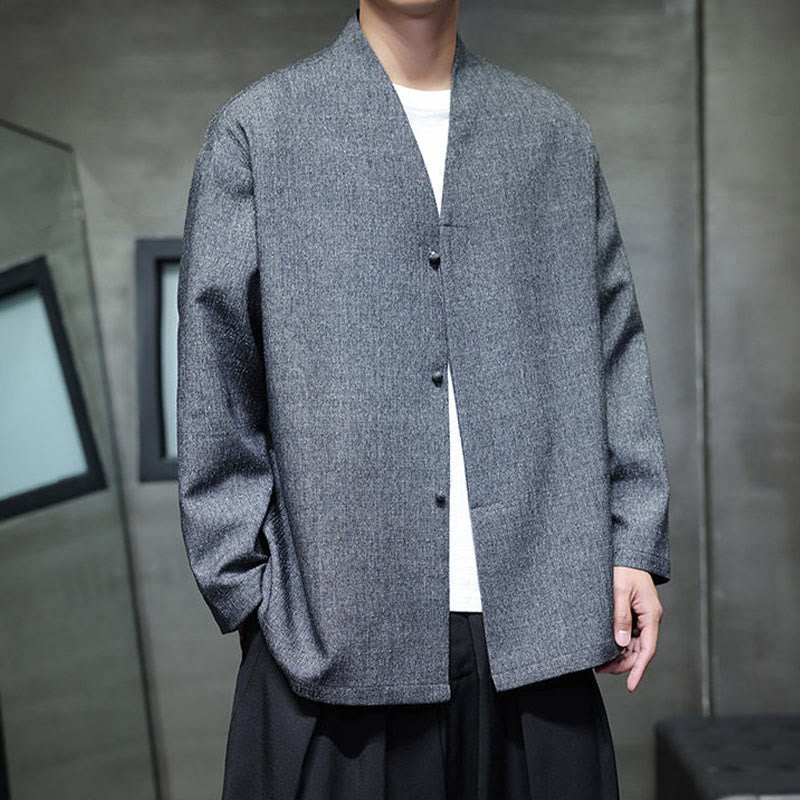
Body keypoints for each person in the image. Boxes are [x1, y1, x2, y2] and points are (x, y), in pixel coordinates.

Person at [176, 1, 671, 797]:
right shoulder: (262, 130)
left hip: (539, 631)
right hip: (332, 637)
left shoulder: (550, 135)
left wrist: (631, 542)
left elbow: (614, 345)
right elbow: (216, 371)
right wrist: (248, 588)